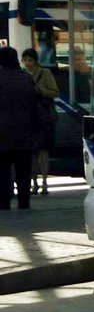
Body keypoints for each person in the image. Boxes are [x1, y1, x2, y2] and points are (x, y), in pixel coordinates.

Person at [0, 46, 39, 211]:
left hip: (2, 133)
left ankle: (3, 202)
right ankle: (24, 201)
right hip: (24, 131)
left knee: (2, 170)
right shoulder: (26, 78)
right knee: (23, 170)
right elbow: (34, 105)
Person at [22, 48, 59, 195]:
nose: (27, 63)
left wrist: (40, 90)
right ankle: (34, 183)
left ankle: (44, 182)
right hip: (29, 117)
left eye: (30, 60)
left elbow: (54, 92)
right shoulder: (22, 74)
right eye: (25, 60)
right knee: (32, 152)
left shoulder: (45, 73)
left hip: (43, 118)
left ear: (35, 61)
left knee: (43, 151)